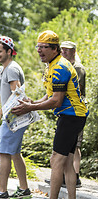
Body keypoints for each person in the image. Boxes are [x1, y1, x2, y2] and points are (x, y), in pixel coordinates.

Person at [12, 30, 88, 199]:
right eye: (38, 46)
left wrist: (29, 109)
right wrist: (33, 103)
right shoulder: (53, 64)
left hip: (71, 116)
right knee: (68, 163)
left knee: (56, 160)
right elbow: (49, 96)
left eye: (44, 47)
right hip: (72, 116)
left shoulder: (60, 67)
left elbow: (56, 101)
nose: (39, 50)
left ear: (55, 49)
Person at [0, 36, 31, 199]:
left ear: (9, 51)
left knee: (4, 153)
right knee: (15, 153)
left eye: (0, 51)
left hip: (13, 119)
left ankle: (2, 192)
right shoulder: (4, 68)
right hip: (10, 117)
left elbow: (16, 96)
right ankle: (24, 190)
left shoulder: (11, 69)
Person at [61, 40, 86, 187]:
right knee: (68, 145)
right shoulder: (64, 66)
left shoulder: (77, 68)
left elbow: (78, 89)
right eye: (62, 49)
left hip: (77, 110)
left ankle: (75, 176)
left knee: (75, 144)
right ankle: (64, 175)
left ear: (74, 52)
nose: (64, 52)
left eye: (67, 50)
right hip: (66, 110)